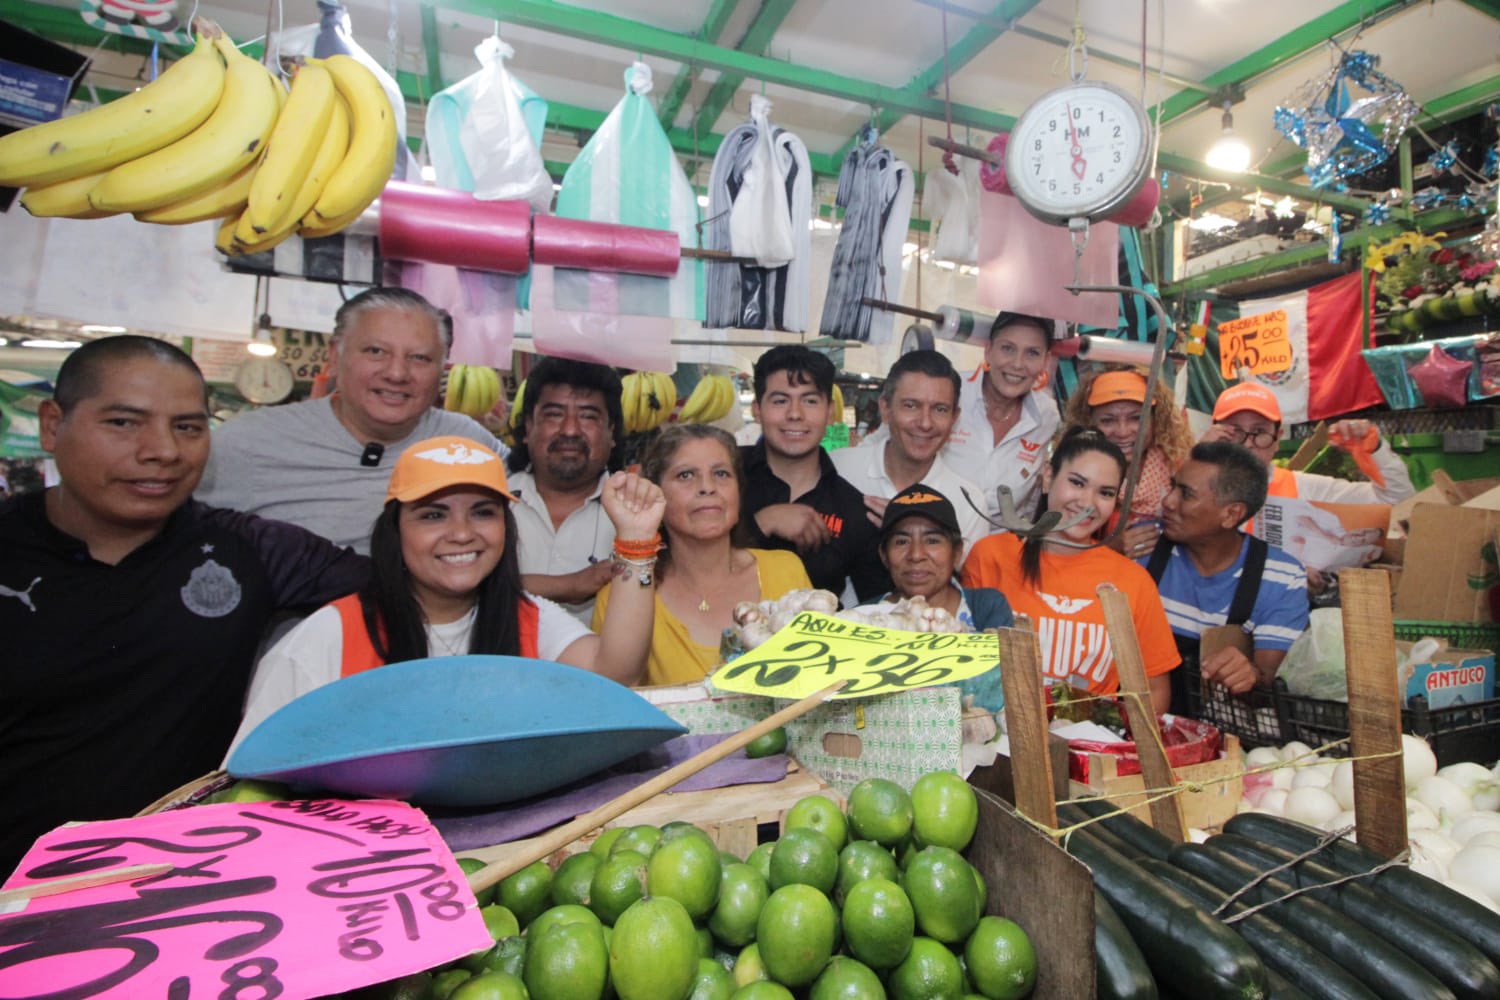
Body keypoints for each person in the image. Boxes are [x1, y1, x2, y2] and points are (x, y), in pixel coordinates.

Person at [0, 336, 367, 874]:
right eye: (124, 423)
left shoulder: (250, 550)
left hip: (183, 887)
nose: (163, 451)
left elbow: (421, 585)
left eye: (188, 428)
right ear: (52, 424)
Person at [232, 437, 663, 747]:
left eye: (482, 512)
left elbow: (616, 673)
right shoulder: (328, 637)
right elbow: (251, 779)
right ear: (394, 532)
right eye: (433, 515)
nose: (461, 534)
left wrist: (636, 539)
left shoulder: (527, 617)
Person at [196, 287, 505, 554]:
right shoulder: (245, 444)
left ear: (442, 367)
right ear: (334, 355)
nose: (397, 373)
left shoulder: (466, 442)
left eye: (419, 358)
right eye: (375, 351)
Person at [961, 428, 1180, 713]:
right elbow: (962, 666)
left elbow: (1154, 687)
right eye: (1077, 483)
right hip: (996, 739)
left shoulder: (1133, 581)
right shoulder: (991, 555)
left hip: (1089, 746)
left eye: (1105, 492)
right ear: (1049, 478)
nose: (1087, 503)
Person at [593, 425, 812, 686]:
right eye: (686, 475)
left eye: (721, 474)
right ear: (654, 493)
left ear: (738, 491)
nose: (707, 487)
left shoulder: (787, 570)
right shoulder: (623, 600)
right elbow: (616, 700)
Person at [1143, 441, 1309, 706]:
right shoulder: (1143, 547)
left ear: (1231, 514)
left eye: (1185, 494)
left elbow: (1268, 680)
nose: (1168, 501)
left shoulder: (1282, 578)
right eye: (1173, 486)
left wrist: (1249, 675)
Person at [739, 345, 887, 603]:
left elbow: (877, 609)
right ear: (757, 409)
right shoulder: (724, 475)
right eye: (780, 400)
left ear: (829, 412)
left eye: (810, 401)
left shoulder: (854, 510)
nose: (795, 414)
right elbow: (682, 560)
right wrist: (761, 523)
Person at [856, 483, 1013, 711]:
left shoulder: (986, 607)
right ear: (884, 555)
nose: (916, 555)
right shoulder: (865, 617)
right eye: (901, 541)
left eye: (932, 541)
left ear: (957, 552)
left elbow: (1002, 690)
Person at [831, 350, 988, 558]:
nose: (925, 423)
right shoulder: (838, 469)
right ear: (885, 408)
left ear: (954, 418)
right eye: (911, 406)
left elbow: (964, 588)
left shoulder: (969, 503)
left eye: (939, 409)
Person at [505, 357, 626, 623]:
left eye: (587, 416)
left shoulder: (638, 513)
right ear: (528, 427)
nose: (570, 429)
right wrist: (570, 585)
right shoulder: (491, 504)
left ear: (612, 432)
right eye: (554, 414)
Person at [1201, 383, 1414, 505]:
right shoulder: (1194, 490)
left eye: (1259, 432)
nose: (1247, 444)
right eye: (1235, 431)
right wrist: (1197, 459)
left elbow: (1397, 501)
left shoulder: (1304, 491)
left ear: (1278, 439)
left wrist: (1375, 452)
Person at [1063, 366, 1194, 559]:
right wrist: (1109, 549)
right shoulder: (1072, 473)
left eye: (1136, 419)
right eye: (1108, 421)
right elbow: (1057, 549)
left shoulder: (1178, 466)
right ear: (1088, 422)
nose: (1123, 432)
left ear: (1156, 418)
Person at [943, 312, 1060, 520]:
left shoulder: (1047, 416)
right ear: (988, 351)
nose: (1017, 364)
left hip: (996, 548)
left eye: (1032, 353)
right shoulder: (949, 392)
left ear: (1046, 361)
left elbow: (1030, 499)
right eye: (1008, 348)